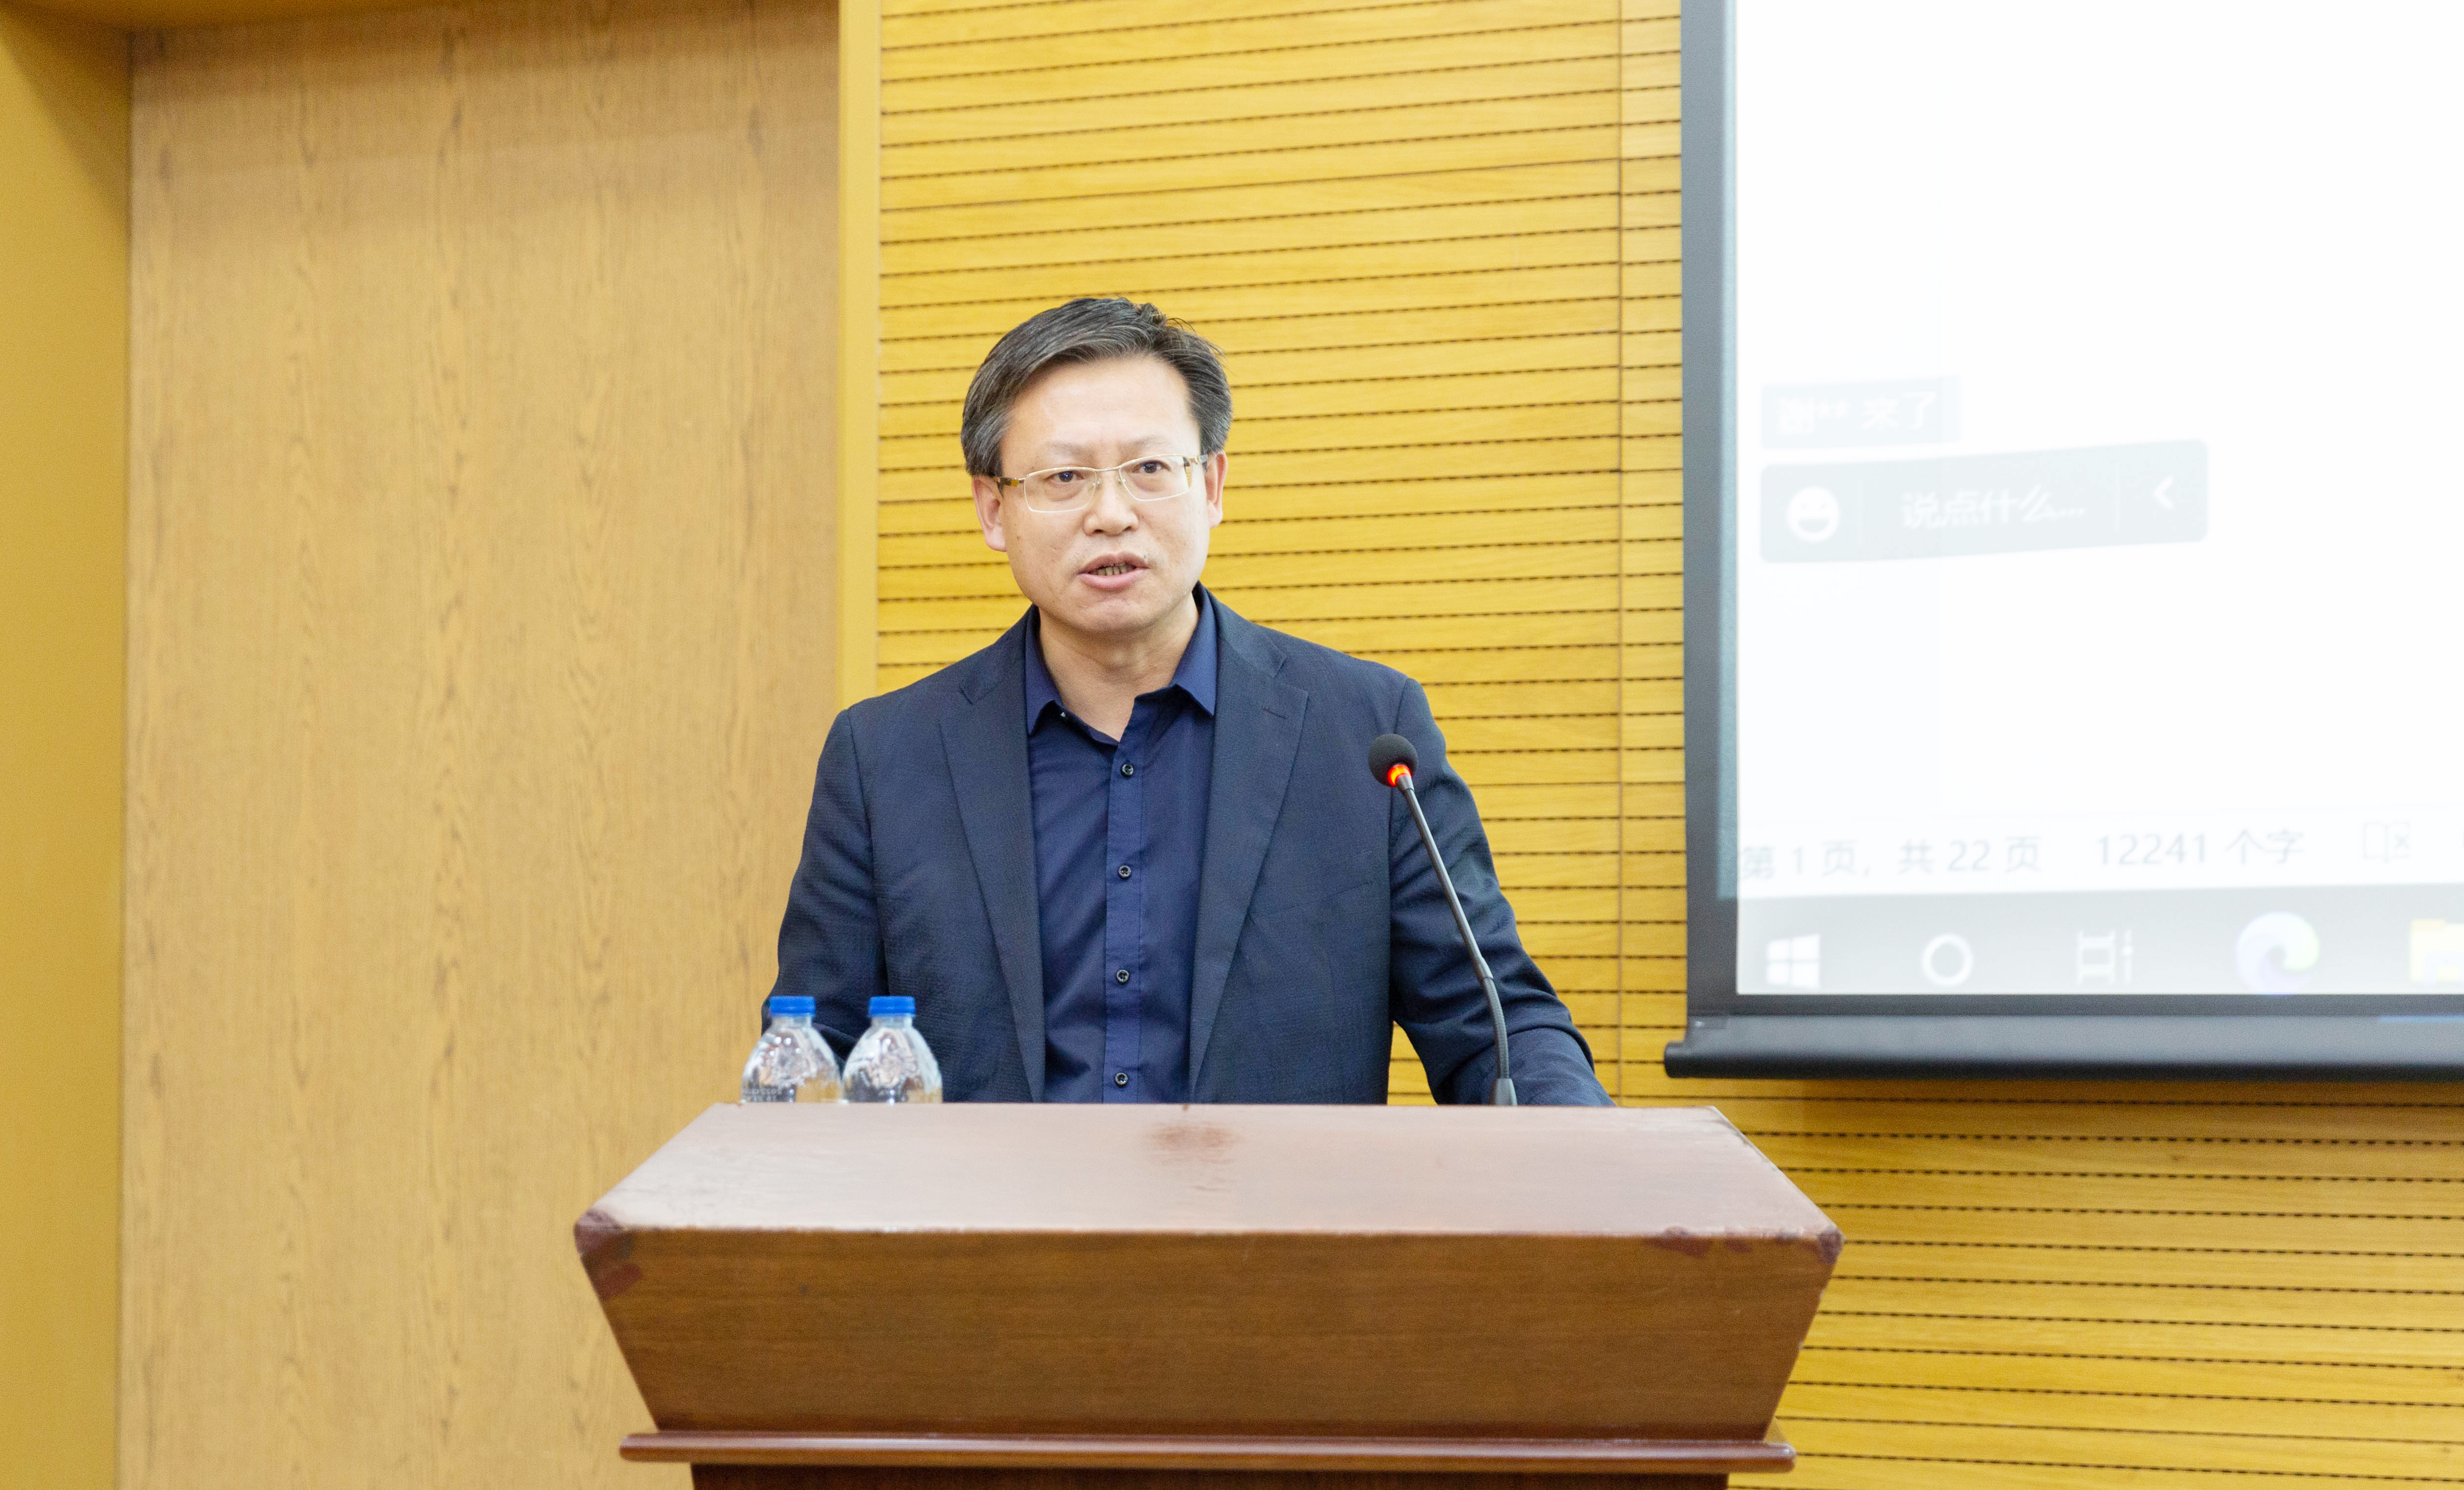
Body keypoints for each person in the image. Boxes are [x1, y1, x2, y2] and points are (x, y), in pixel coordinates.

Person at [769, 298, 1610, 1105]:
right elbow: (813, 1062)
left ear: (1210, 485)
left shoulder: (1364, 734)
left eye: (1148, 469)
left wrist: (1580, 1143)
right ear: (994, 510)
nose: (1111, 515)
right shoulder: (885, 759)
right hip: (986, 1211)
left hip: (1272, 1209)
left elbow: (1495, 1027)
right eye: (1063, 477)